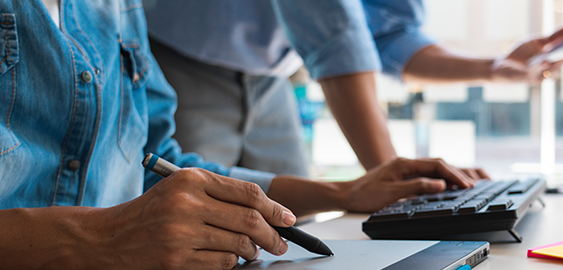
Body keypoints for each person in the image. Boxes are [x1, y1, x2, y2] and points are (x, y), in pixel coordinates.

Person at [0, 1, 474, 269]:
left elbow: (158, 161)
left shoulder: (116, 8)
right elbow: (334, 31)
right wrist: (104, 237)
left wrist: (345, 191)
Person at [143, 0, 563, 178]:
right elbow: (336, 39)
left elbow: (390, 35)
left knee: (288, 230)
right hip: (180, 61)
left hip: (270, 79)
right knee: (190, 228)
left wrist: (494, 69)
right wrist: (400, 187)